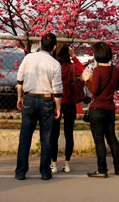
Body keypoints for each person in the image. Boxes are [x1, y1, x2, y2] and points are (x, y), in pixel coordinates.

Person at [15, 33, 62, 181]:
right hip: (46, 100)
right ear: (54, 47)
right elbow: (58, 90)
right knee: (46, 138)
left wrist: (20, 97)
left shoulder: (28, 58)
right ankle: (45, 172)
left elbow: (20, 79)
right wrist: (58, 108)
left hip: (28, 97)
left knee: (25, 137)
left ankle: (21, 171)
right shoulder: (55, 64)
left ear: (40, 44)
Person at [82, 41, 119, 178]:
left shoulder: (97, 70)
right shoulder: (115, 69)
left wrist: (87, 79)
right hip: (110, 108)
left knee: (99, 140)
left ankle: (102, 169)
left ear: (96, 55)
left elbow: (94, 90)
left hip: (97, 108)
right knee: (112, 138)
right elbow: (117, 87)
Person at [49, 42, 85, 174]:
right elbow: (82, 69)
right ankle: (67, 164)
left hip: (55, 101)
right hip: (69, 102)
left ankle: (53, 163)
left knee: (54, 134)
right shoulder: (71, 67)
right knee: (68, 134)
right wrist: (74, 56)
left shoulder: (54, 67)